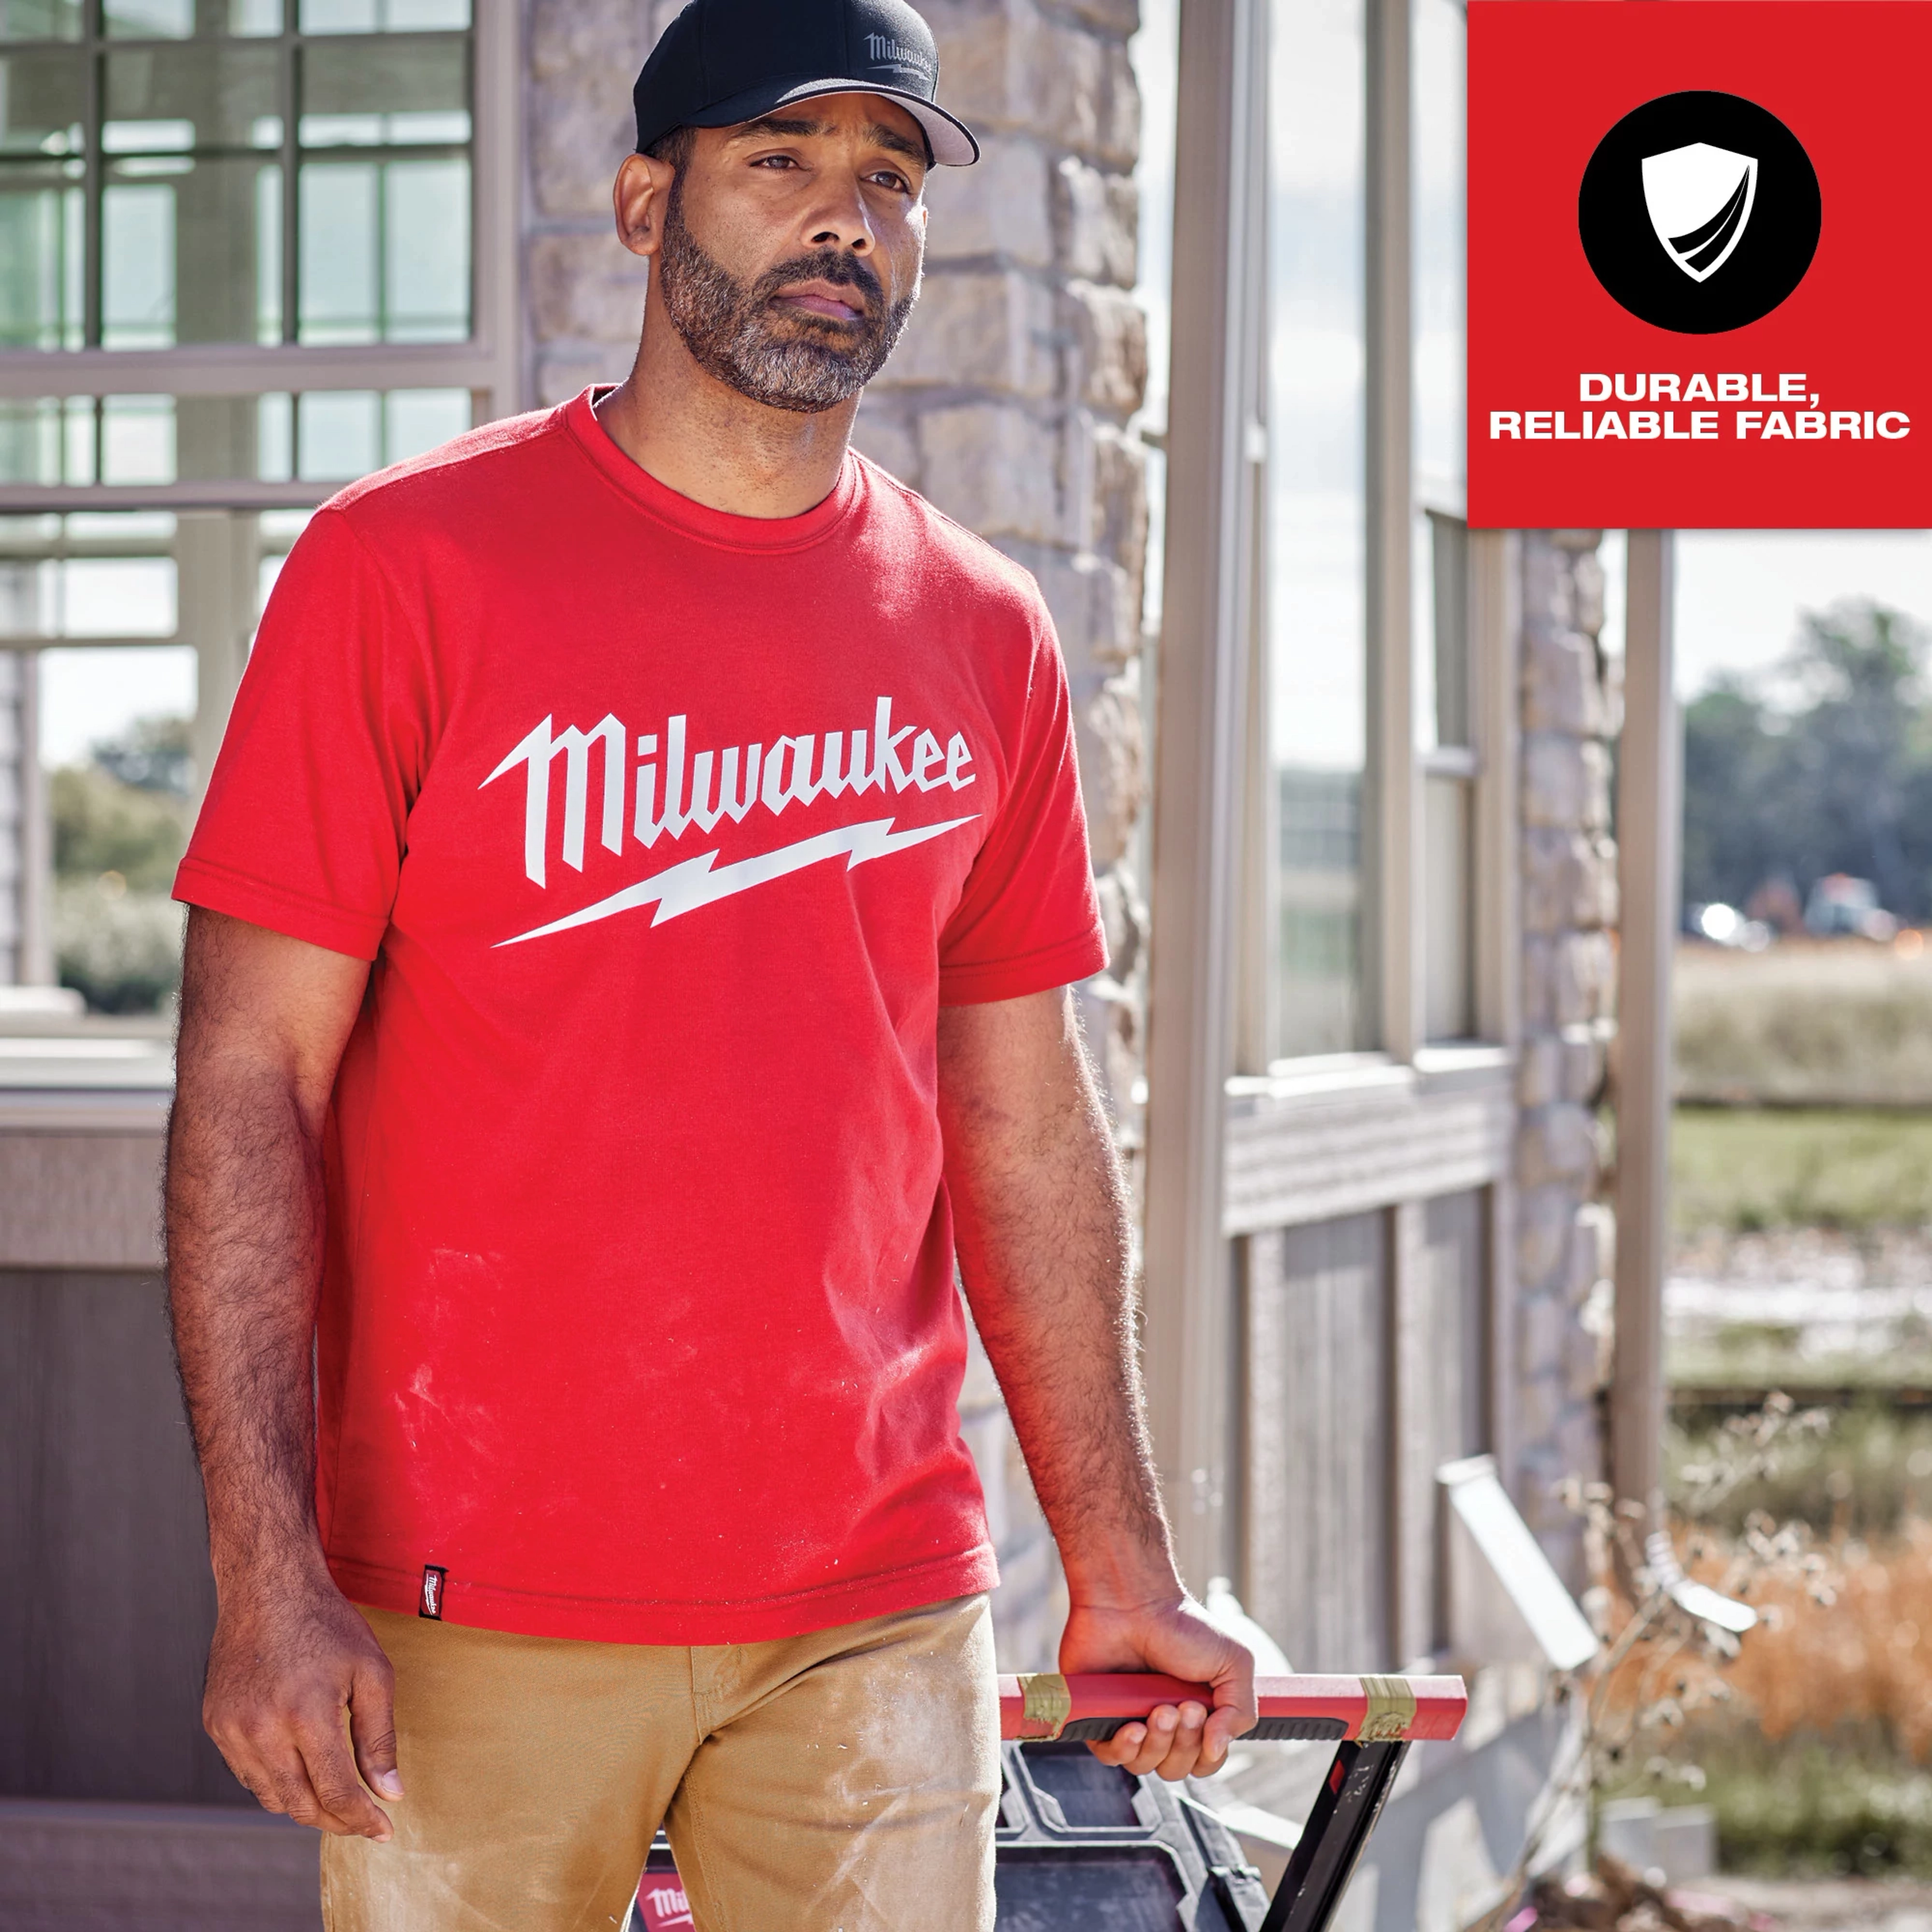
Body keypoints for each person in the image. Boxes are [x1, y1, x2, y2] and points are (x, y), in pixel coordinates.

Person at [164, 0, 1256, 1925]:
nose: (844, 222)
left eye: (887, 183)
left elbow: (1021, 1122)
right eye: (783, 164)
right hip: (465, 1597)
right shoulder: (403, 571)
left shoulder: (983, 630)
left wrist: (1118, 1563)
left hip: (874, 1605)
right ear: (645, 201)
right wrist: (266, 1576)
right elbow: (251, 1081)